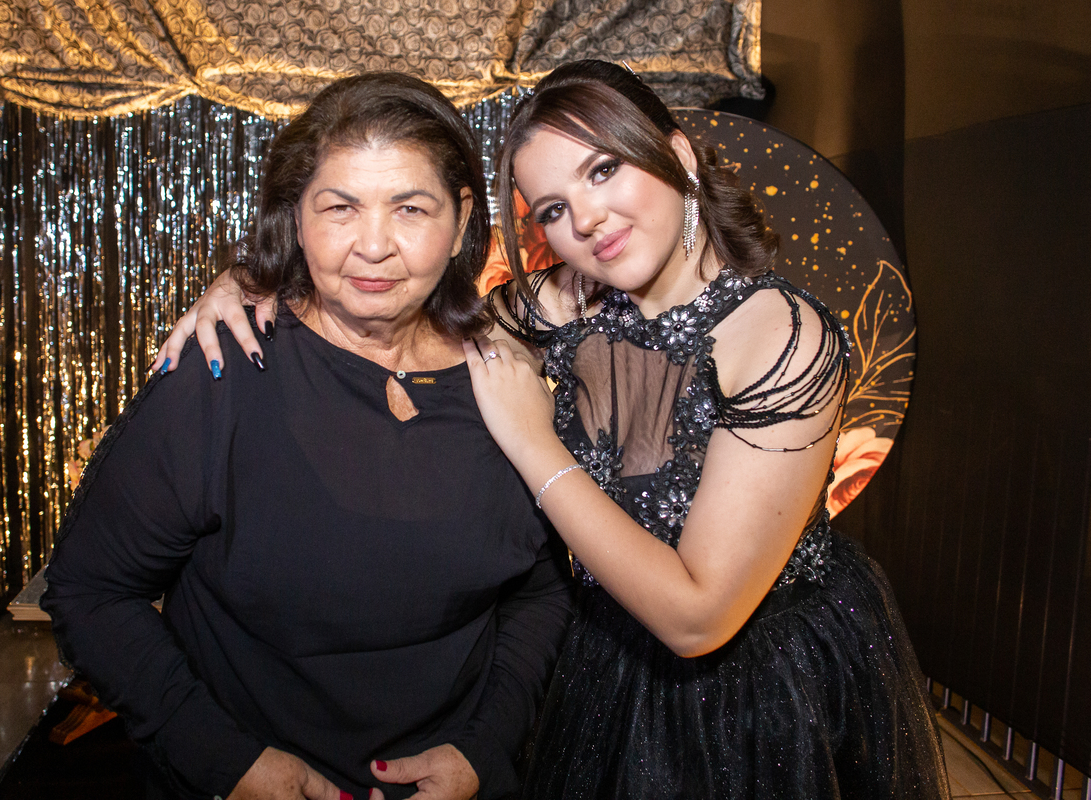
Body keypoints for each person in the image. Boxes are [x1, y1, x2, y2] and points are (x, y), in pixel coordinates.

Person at [158, 62, 950, 799]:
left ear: (677, 155)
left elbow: (698, 619)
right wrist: (250, 280)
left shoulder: (780, 337)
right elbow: (421, 304)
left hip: (754, 689)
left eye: (603, 170)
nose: (588, 220)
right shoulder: (567, 302)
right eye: (554, 211)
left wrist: (533, 442)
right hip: (604, 652)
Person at [41, 72, 573, 800]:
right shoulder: (225, 369)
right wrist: (228, 763)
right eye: (340, 207)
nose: (374, 246)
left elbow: (539, 594)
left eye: (410, 208)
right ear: (296, 218)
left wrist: (486, 747)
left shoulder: (506, 380)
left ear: (460, 223)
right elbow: (90, 591)